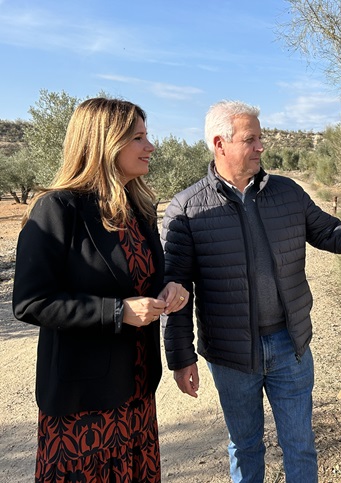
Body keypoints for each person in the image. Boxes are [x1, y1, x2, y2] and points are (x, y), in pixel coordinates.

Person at [161, 99, 341, 483]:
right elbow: (176, 288)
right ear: (221, 144)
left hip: (290, 345)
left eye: (261, 138)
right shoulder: (187, 208)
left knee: (300, 442)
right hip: (230, 354)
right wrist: (180, 356)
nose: (261, 147)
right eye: (251, 139)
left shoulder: (287, 193)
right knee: (245, 445)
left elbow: (331, 233)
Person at [12, 97, 190, 482]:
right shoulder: (56, 210)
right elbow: (30, 302)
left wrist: (170, 288)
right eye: (139, 138)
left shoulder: (138, 209)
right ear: (106, 144)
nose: (150, 147)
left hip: (137, 393)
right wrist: (117, 312)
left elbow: (144, 279)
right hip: (83, 405)